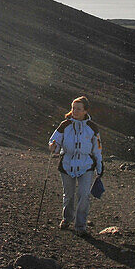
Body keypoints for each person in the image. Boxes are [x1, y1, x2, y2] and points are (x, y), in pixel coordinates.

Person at [48, 95, 103, 236]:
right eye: (73, 108)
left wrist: (99, 166)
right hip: (67, 164)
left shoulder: (92, 127)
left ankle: (80, 225)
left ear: (85, 111)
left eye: (78, 109)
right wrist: (53, 146)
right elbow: (55, 140)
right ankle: (67, 218)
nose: (75, 111)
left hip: (86, 165)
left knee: (84, 195)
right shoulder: (65, 125)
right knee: (69, 195)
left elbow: (97, 148)